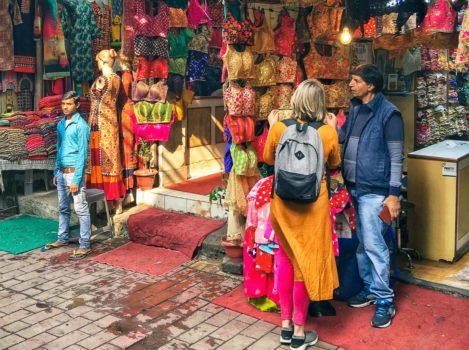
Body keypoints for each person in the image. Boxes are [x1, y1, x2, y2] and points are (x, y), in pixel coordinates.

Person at [264, 79, 341, 349]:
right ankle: (299, 332)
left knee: (284, 259)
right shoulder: (327, 133)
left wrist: (273, 127)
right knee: (304, 264)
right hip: (313, 205)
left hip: (283, 204)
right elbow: (334, 164)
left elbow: (269, 160)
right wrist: (333, 130)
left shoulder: (280, 128)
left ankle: (285, 326)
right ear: (320, 104)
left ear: (296, 99)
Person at [329, 64, 404, 328]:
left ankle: (385, 300)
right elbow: (344, 139)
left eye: (355, 80)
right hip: (354, 189)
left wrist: (393, 195)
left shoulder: (389, 114)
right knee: (362, 244)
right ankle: (371, 289)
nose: (350, 84)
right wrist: (331, 127)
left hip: (376, 192)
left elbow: (396, 158)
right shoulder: (357, 109)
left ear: (370, 85)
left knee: (374, 245)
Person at [45, 91, 92, 261]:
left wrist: (77, 178)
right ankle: (62, 238)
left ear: (77, 105)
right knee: (63, 208)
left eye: (69, 104)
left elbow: (83, 154)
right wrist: (56, 170)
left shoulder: (82, 126)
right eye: (63, 104)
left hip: (74, 173)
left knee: (80, 208)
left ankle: (85, 244)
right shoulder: (60, 124)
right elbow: (59, 148)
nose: (65, 107)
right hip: (62, 171)